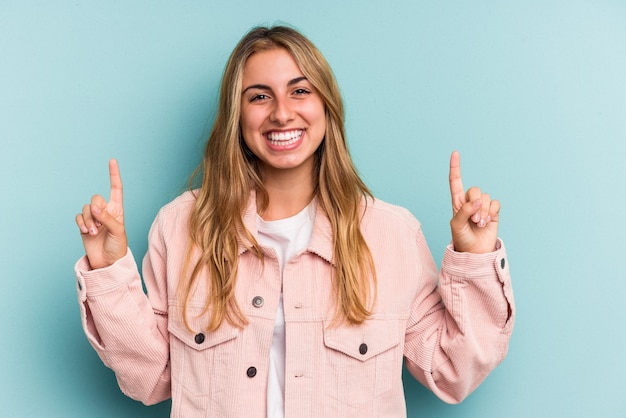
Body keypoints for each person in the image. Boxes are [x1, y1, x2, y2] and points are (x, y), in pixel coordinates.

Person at [74, 25, 515, 418]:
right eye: (260, 96)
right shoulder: (181, 226)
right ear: (237, 116)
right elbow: (150, 380)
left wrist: (474, 260)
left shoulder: (391, 234)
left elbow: (452, 372)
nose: (282, 112)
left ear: (326, 105)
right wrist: (109, 272)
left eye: (300, 91)